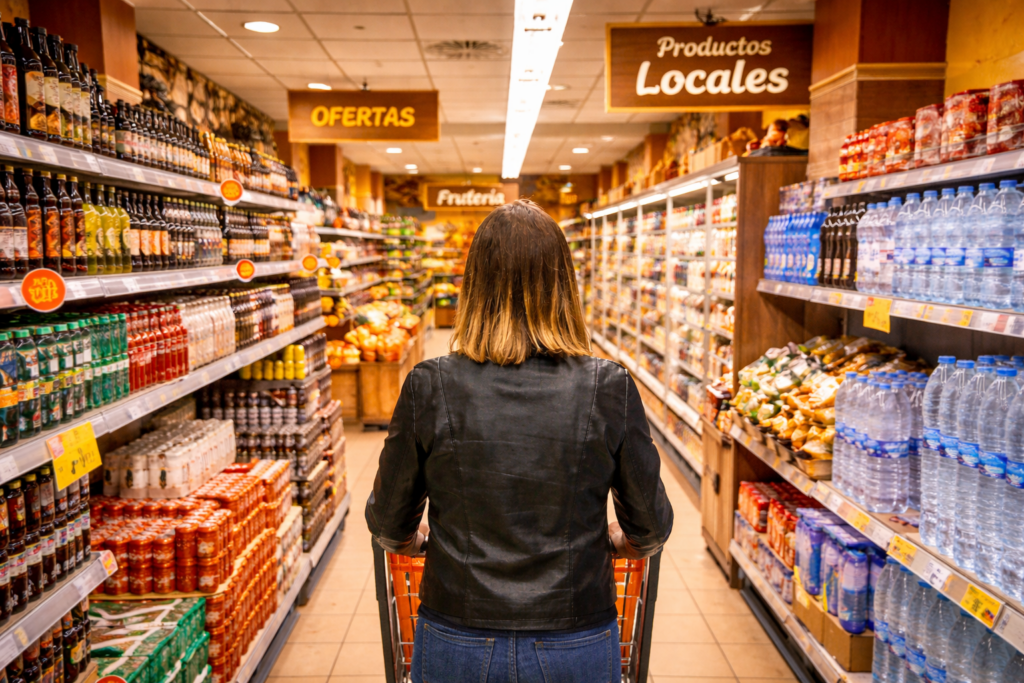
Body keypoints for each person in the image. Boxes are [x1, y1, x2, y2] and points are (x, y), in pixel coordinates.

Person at [366, 199, 674, 683]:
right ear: (564, 284)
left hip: (455, 633)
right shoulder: (608, 386)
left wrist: (419, 540)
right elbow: (650, 527)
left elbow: (387, 522)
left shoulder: (430, 384)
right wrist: (618, 541)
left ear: (475, 285)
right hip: (576, 635)